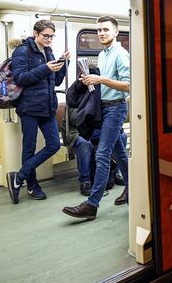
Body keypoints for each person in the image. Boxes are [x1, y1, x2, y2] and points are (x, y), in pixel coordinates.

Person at [62, 16, 130, 220]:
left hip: (116, 108)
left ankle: (92, 204)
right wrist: (88, 81)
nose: (101, 33)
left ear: (116, 32)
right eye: (99, 30)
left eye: (106, 30)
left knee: (102, 154)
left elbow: (128, 85)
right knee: (119, 154)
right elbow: (103, 84)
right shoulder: (101, 55)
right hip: (103, 109)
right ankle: (132, 190)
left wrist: (100, 79)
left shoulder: (121, 54)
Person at [6, 20, 70, 204]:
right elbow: (20, 78)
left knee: (53, 145)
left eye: (51, 36)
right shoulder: (22, 51)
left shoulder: (48, 52)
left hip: (47, 106)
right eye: (46, 35)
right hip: (29, 108)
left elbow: (56, 81)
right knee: (29, 147)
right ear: (36, 33)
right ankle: (32, 186)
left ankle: (18, 177)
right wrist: (45, 68)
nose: (49, 39)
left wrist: (64, 63)